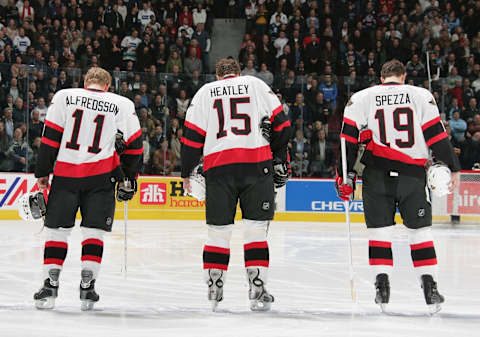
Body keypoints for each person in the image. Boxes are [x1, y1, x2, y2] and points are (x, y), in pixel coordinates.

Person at [336, 59, 460, 313]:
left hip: (376, 176)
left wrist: (344, 175)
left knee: (379, 234)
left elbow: (346, 139)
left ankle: (382, 285)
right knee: (419, 233)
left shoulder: (361, 97)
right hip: (412, 176)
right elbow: (436, 136)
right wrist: (454, 166)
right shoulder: (420, 95)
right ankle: (430, 286)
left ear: (382, 78)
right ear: (403, 76)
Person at [181, 58, 291, 311]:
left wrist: (186, 172)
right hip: (256, 166)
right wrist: (276, 155)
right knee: (255, 230)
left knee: (218, 232)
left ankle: (214, 286)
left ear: (218, 76)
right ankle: (257, 285)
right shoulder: (255, 84)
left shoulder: (205, 92)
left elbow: (191, 138)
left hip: (219, 169)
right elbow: (283, 126)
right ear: (239, 73)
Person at [33, 67, 142, 311]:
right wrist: (129, 177)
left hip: (65, 175)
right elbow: (135, 145)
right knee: (94, 233)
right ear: (107, 86)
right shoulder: (121, 103)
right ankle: (87, 287)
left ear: (85, 82)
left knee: (57, 232)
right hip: (102, 177)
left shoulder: (64, 96)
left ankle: (50, 286)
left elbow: (50, 138)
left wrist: (42, 172)